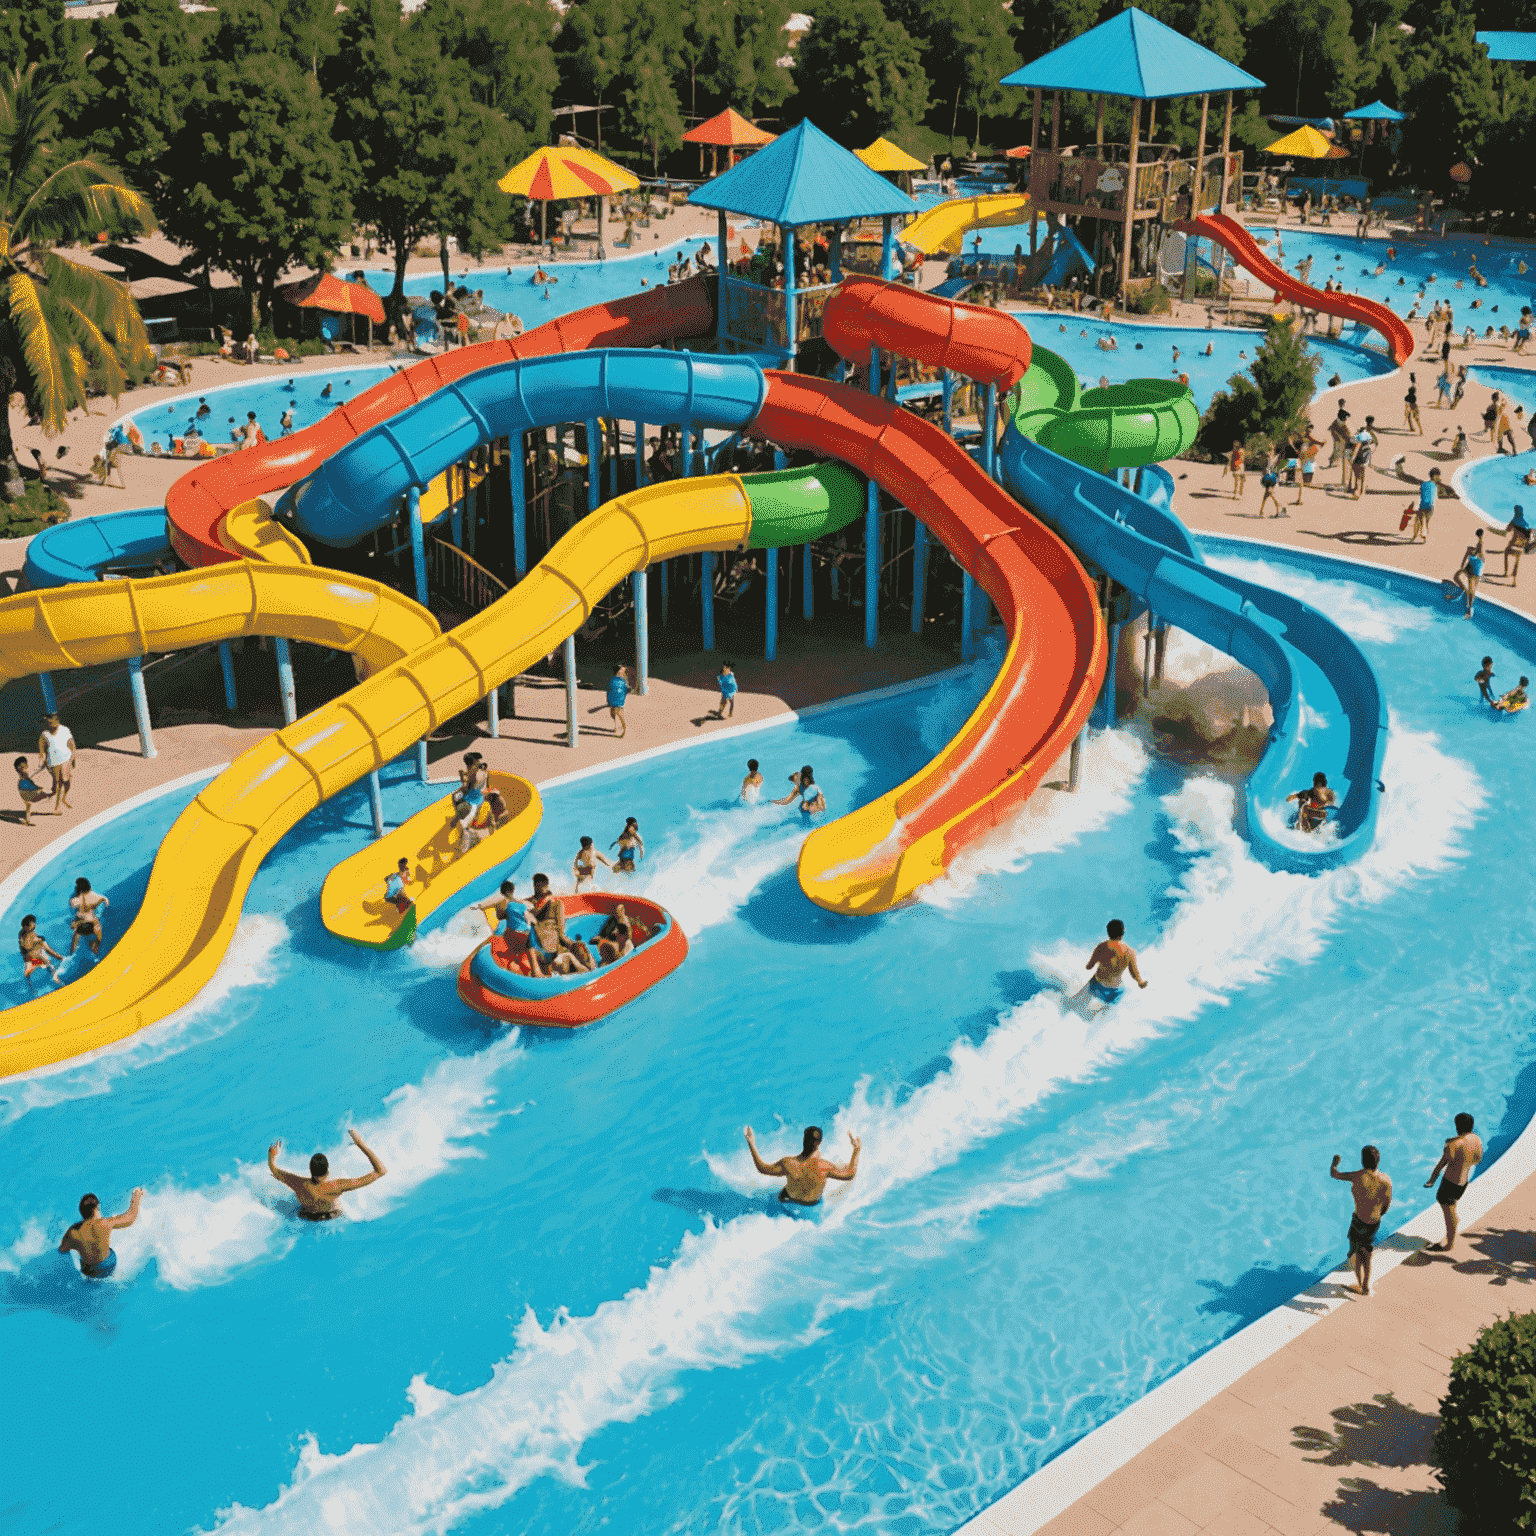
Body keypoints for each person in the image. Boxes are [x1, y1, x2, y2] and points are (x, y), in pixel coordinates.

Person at [267, 1129, 386, 1220]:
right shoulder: (337, 1186)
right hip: (331, 1218)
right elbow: (381, 1171)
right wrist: (360, 1143)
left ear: (310, 1170)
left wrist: (272, 1156)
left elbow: (274, 1170)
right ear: (327, 1171)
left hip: (306, 1217)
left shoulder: (298, 1184)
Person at [744, 1124, 860, 1207]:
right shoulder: (824, 1167)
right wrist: (856, 1149)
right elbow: (850, 1174)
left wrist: (751, 1143)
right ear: (819, 1143)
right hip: (811, 1205)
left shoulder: (788, 1163)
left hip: (788, 1200)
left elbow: (762, 1169)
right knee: (841, 1167)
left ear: (804, 1140)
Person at [1330, 1146, 1392, 1296]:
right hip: (1374, 1222)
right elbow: (1387, 1204)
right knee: (1367, 1252)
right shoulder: (1386, 1180)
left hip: (1359, 1222)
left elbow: (1335, 1174)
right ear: (1378, 1161)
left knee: (1358, 1253)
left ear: (1363, 1161)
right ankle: (1366, 1285)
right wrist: (1377, 1215)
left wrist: (1335, 1163)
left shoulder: (1357, 1176)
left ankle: (1361, 1286)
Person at [1424, 1112, 1483, 1253]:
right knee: (1452, 1208)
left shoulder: (1454, 1144)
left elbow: (1441, 1164)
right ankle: (1454, 1221)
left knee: (1448, 1215)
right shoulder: (1476, 1140)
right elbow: (1477, 1159)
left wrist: (1431, 1181)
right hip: (1463, 1183)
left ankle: (1448, 1245)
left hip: (1449, 1184)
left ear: (1457, 1126)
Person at [59, 1188, 143, 1279]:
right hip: (107, 1267)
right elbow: (130, 1218)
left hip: (87, 1270)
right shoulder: (103, 1224)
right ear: (97, 1208)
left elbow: (63, 1250)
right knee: (109, 1252)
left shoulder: (72, 1232)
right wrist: (136, 1198)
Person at [1080, 919, 1147, 1006]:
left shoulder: (1102, 947)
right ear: (1123, 931)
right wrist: (1140, 982)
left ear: (1108, 932)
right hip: (1116, 990)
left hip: (1098, 986)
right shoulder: (1130, 952)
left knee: (1089, 989)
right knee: (1107, 1014)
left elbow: (1089, 966)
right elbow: (1134, 972)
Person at [38, 712, 75, 812]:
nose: (50, 725)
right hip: (53, 761)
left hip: (65, 758)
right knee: (58, 782)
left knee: (64, 779)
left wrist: (73, 757)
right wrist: (41, 761)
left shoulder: (64, 730)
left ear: (57, 721)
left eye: (51, 723)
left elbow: (71, 743)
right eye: (48, 723)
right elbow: (42, 749)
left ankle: (63, 798)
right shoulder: (45, 734)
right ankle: (57, 806)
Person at [68, 877, 109, 956]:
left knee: (76, 933)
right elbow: (104, 899)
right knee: (98, 940)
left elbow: (72, 906)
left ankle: (71, 953)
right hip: (92, 924)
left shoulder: (75, 899)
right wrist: (106, 902)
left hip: (79, 925)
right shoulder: (94, 896)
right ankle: (95, 953)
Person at [1449, 529, 1485, 618]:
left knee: (1472, 591)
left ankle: (1469, 609)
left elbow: (1480, 550)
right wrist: (1462, 566)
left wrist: (1471, 551)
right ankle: (1463, 590)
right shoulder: (1475, 546)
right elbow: (1472, 554)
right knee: (1456, 576)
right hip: (1470, 567)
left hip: (1475, 571)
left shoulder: (1480, 548)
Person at [18, 914, 62, 984]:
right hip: (36, 958)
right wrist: (38, 942)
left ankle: (57, 959)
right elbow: (27, 948)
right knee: (44, 949)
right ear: (26, 927)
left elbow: (24, 949)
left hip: (30, 959)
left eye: (34, 924)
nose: (34, 926)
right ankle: (56, 978)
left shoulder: (25, 933)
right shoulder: (25, 936)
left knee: (27, 974)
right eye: (31, 925)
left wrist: (38, 940)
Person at [1501, 504, 1531, 585]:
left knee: (1506, 552)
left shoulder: (1514, 521)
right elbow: (1528, 537)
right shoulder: (1526, 523)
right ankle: (1514, 581)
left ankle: (1506, 573)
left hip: (1513, 545)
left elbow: (1507, 530)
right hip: (1522, 547)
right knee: (1517, 560)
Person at [1409, 468, 1441, 543]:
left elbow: (1421, 494)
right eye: (1438, 476)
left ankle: (1414, 537)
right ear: (1435, 476)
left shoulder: (1423, 484)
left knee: (1418, 521)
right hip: (1430, 506)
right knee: (1426, 522)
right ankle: (1424, 538)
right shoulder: (1436, 486)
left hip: (1423, 505)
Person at [14, 755, 49, 825]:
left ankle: (27, 821)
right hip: (26, 792)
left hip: (24, 791)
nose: (26, 766)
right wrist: (37, 788)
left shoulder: (23, 774)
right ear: (19, 767)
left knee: (28, 806)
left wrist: (37, 787)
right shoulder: (24, 774)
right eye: (24, 765)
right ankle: (27, 821)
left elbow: (30, 783)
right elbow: (28, 784)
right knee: (29, 805)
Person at [1257, 447, 1283, 518]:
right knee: (1266, 495)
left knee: (1270, 493)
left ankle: (1279, 507)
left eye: (1269, 450)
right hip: (1271, 478)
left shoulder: (1271, 459)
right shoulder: (1272, 458)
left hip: (1269, 478)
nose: (1268, 452)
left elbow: (1267, 469)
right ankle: (1262, 511)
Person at [607, 663, 629, 739]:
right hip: (612, 700)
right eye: (622, 670)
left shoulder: (624, 680)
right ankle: (616, 726)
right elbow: (609, 690)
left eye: (623, 670)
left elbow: (626, 690)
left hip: (619, 701)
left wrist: (621, 701)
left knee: (620, 715)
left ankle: (624, 731)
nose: (623, 672)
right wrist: (608, 700)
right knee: (612, 714)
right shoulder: (612, 679)